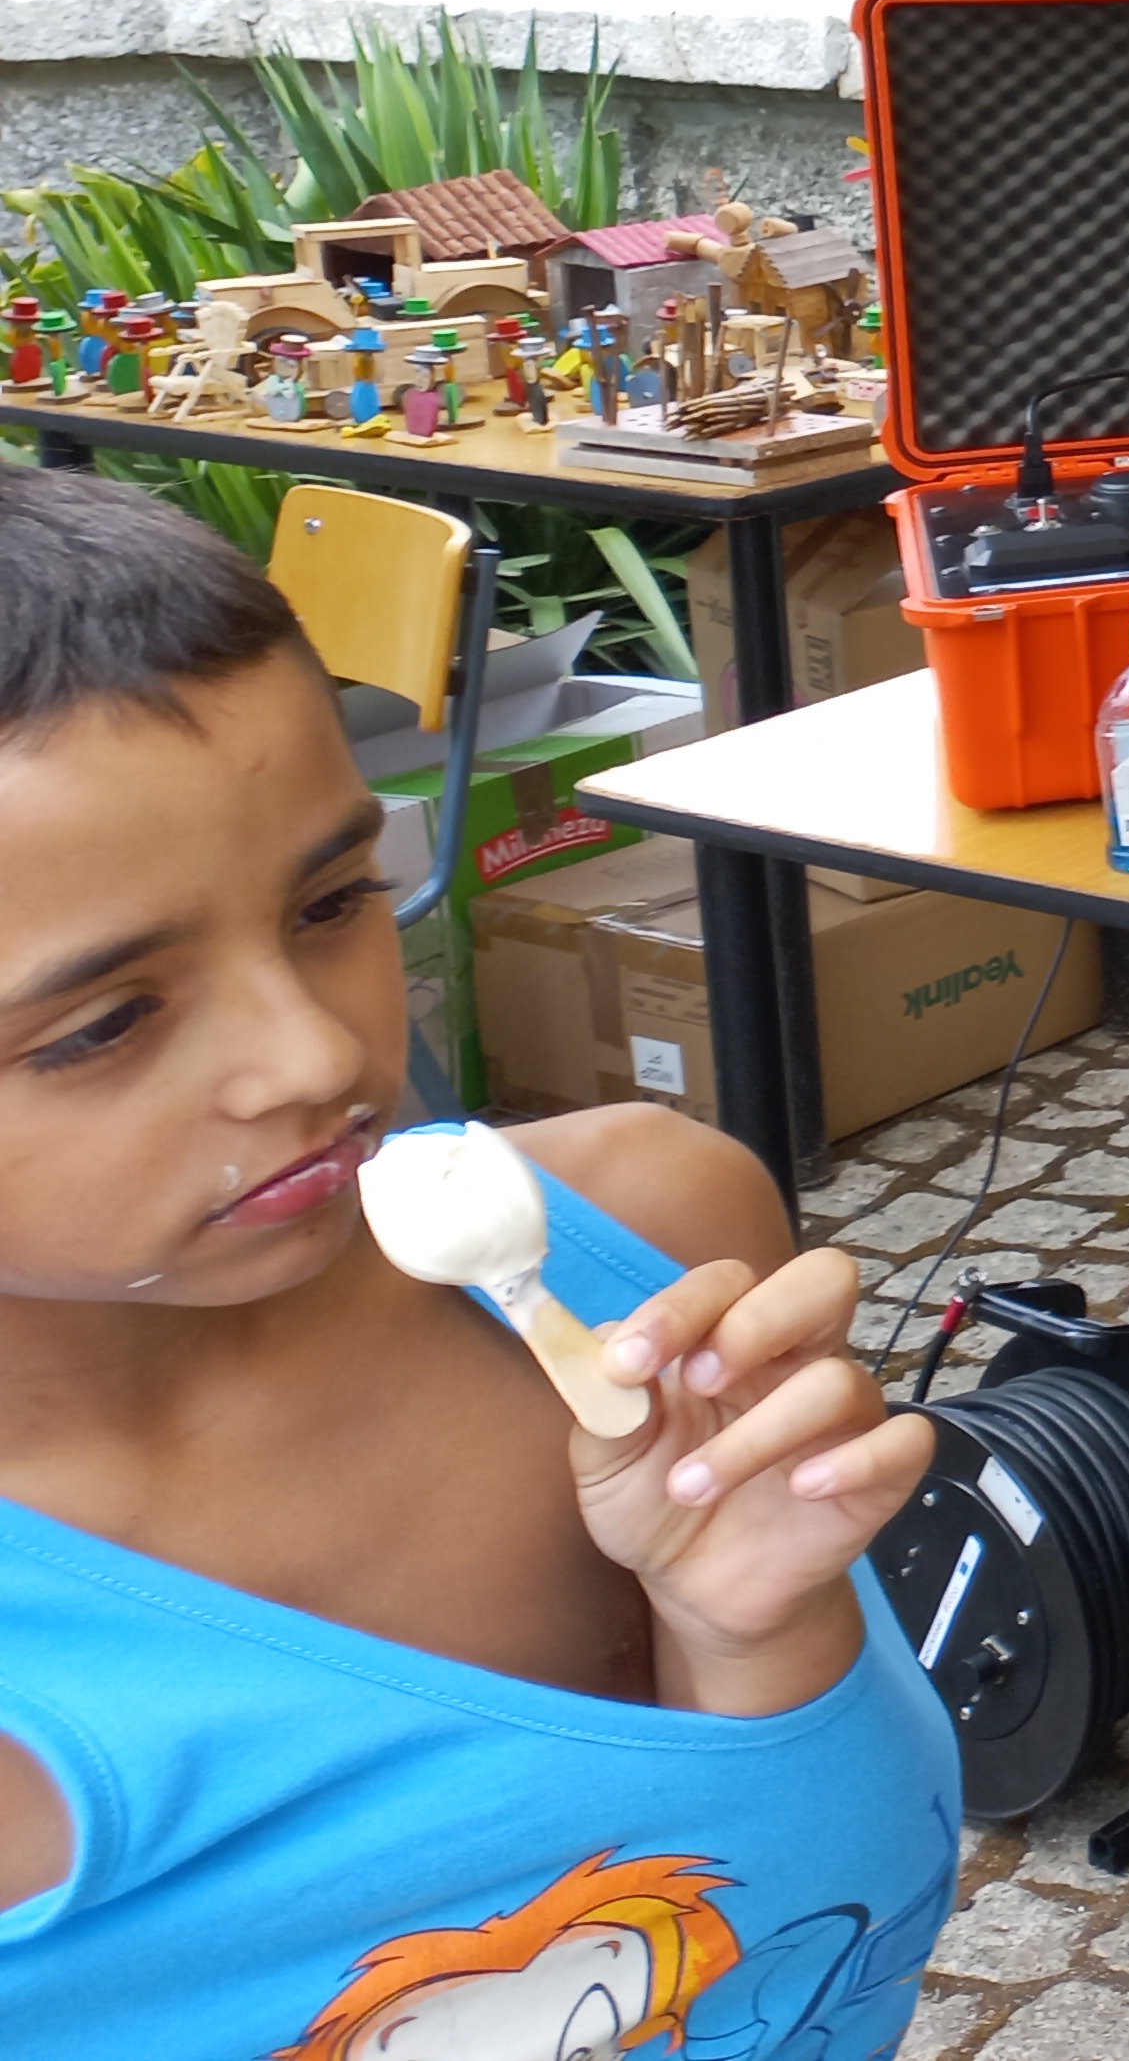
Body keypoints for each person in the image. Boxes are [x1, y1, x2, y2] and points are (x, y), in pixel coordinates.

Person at [0, 468, 958, 2058]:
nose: (315, 1057)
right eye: (105, 1024)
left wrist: (750, 1638)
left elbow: (804, 1939)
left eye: (332, 902)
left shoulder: (648, 1247)